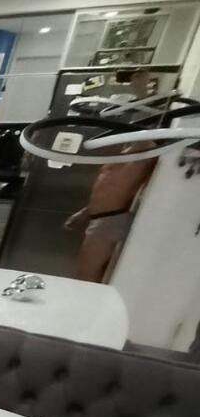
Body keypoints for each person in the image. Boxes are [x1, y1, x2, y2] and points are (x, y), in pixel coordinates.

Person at [63, 70, 159, 282]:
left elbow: (147, 124)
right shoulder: (129, 151)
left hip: (110, 220)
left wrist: (140, 91)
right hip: (102, 219)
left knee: (87, 278)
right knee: (88, 276)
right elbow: (107, 189)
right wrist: (84, 213)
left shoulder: (143, 148)